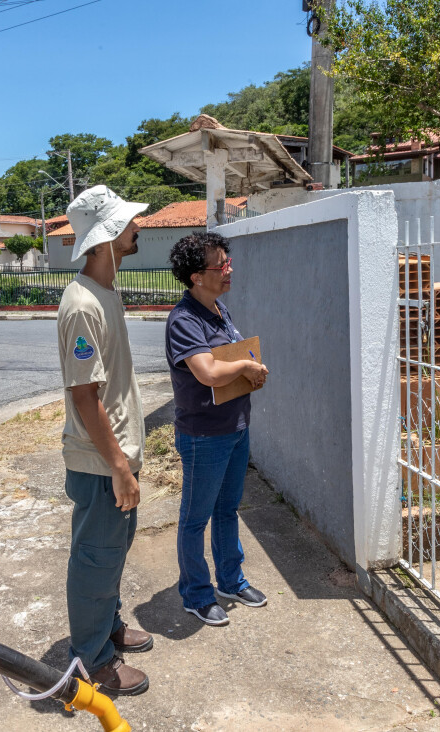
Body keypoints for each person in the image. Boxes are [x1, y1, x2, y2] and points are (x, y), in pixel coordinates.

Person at [56, 185, 153, 696]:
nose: (137, 226)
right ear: (105, 239)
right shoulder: (81, 305)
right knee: (95, 556)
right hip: (100, 463)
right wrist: (117, 464)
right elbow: (84, 395)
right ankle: (91, 659)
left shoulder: (105, 293)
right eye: (128, 222)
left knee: (110, 552)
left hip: (113, 457)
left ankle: (106, 628)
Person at [165, 231, 269, 626]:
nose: (229, 270)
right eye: (220, 265)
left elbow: (233, 355)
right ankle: (196, 593)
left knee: (227, 509)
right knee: (196, 517)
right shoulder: (184, 320)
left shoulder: (218, 310)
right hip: (203, 436)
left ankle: (231, 580)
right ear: (195, 275)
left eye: (228, 262)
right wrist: (244, 367)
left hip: (235, 427)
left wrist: (252, 371)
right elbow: (208, 372)